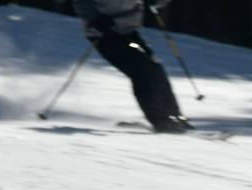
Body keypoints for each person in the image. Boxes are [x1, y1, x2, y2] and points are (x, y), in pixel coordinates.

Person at [71, 0, 193, 133]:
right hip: (106, 34)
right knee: (142, 70)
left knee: (155, 68)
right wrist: (94, 19)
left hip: (127, 30)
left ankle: (175, 116)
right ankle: (161, 120)